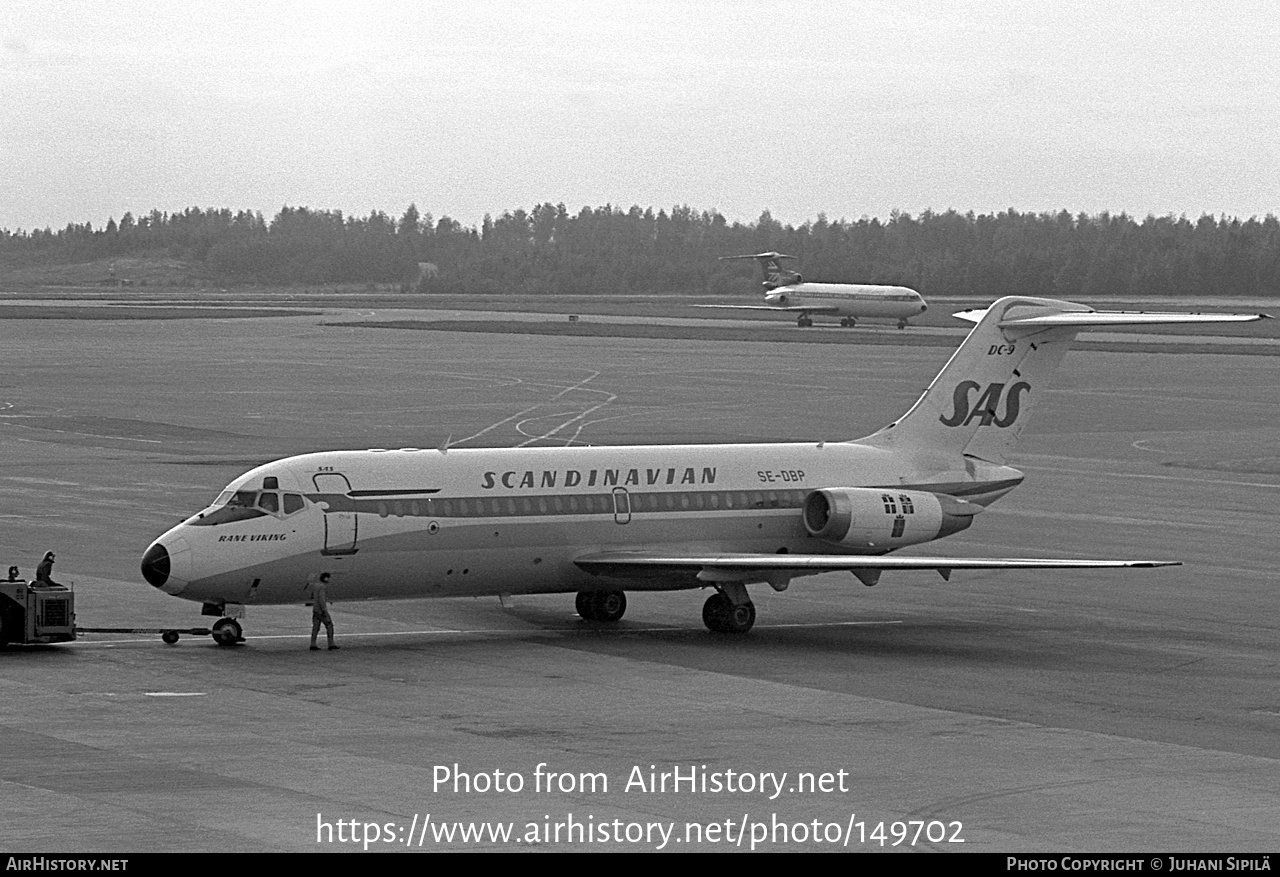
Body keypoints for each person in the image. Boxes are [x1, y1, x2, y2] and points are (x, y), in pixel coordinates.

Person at [308, 573, 338, 651]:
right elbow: (321, 600)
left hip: (315, 609)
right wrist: (325, 611)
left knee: (316, 627)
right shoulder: (322, 587)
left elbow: (312, 596)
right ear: (326, 579)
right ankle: (331, 643)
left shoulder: (316, 586)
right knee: (329, 625)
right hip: (321, 610)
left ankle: (313, 643)